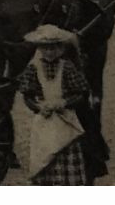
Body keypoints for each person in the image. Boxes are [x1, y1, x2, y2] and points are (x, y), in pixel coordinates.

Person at [16, 25, 95, 185]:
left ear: (60, 49)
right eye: (45, 49)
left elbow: (80, 93)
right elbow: (27, 95)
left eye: (53, 48)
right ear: (39, 49)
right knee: (45, 154)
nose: (49, 53)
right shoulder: (33, 68)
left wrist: (64, 103)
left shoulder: (66, 67)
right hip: (44, 119)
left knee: (66, 149)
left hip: (65, 118)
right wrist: (38, 107)